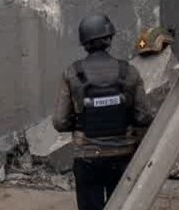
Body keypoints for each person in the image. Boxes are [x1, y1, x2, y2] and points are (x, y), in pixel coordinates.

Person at [53, 14, 155, 210]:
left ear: (84, 43)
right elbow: (144, 116)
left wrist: (84, 119)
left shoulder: (72, 73)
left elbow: (60, 122)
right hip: (123, 154)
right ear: (109, 38)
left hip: (87, 157)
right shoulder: (129, 71)